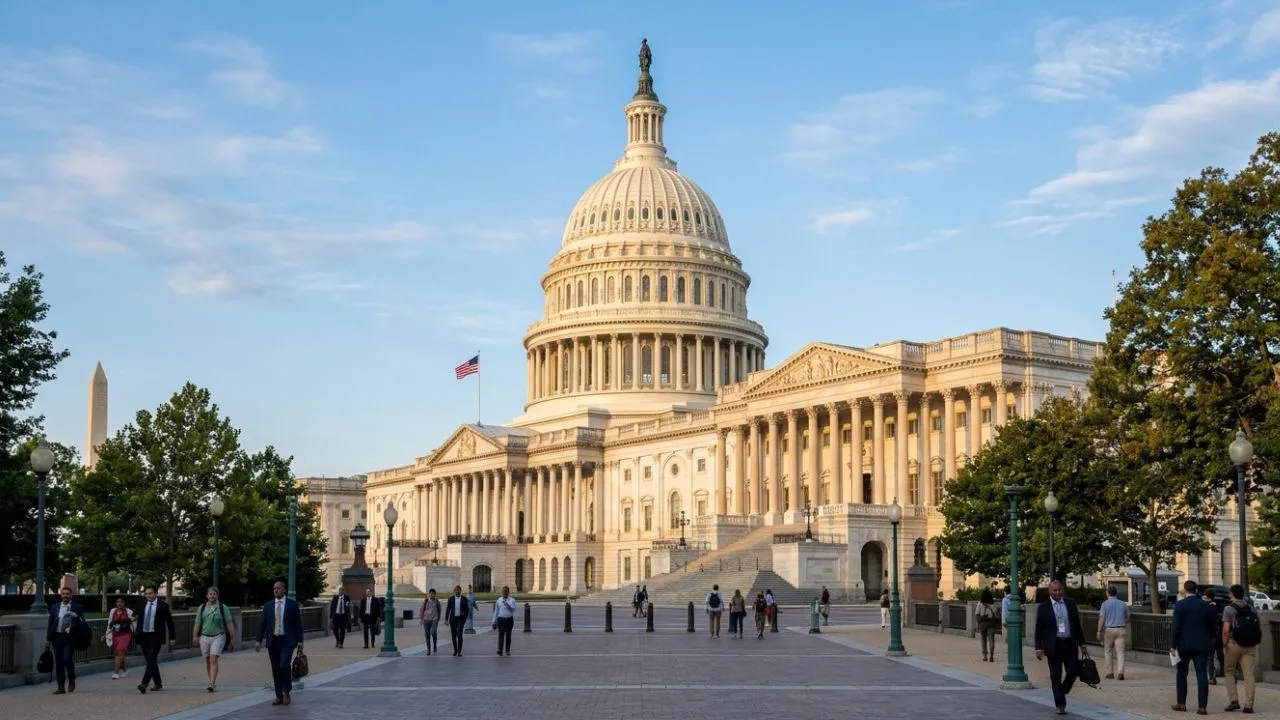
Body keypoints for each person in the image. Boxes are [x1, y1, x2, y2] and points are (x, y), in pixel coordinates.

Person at [1034, 580, 1085, 716]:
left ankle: (1062, 690)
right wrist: (1038, 648)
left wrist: (1082, 644)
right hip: (1053, 645)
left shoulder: (1070, 604)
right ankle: (1060, 704)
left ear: (1062, 590)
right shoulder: (1044, 607)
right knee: (1055, 676)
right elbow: (1039, 629)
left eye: (1059, 590)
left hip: (1069, 644)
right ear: (1050, 591)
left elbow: (1077, 625)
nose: (1057, 593)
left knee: (1073, 670)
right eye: (1054, 591)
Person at [1171, 580, 1218, 714]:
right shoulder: (1205, 606)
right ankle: (1202, 706)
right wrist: (1210, 638)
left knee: (1182, 674)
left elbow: (1176, 627)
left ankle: (1181, 703)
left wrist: (1173, 645)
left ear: (1185, 590)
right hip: (1202, 644)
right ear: (1196, 590)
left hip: (1184, 644)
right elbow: (1212, 627)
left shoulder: (1180, 605)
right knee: (1202, 675)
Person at [255, 581, 304, 706]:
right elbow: (262, 624)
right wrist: (258, 640)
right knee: (276, 669)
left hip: (287, 640)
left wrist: (300, 641)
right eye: (274, 588)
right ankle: (278, 695)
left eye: (278, 588)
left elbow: (298, 625)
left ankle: (286, 691)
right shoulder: (268, 606)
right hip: (273, 641)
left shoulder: (292, 605)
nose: (275, 590)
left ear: (284, 590)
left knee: (284, 665)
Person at [1222, 584, 1260, 713]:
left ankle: (1234, 700)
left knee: (1229, 671)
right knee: (1249, 675)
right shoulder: (1252, 609)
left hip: (1234, 644)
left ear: (1232, 594)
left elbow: (1226, 630)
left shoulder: (1229, 609)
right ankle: (1249, 705)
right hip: (1250, 645)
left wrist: (1224, 643)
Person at [192, 586, 237, 693]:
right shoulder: (202, 608)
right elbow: (198, 623)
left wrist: (232, 638)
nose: (212, 596)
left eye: (214, 594)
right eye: (210, 594)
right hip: (204, 636)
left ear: (217, 595)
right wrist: (195, 636)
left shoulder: (222, 607)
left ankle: (212, 683)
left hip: (218, 636)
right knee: (207, 660)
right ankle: (210, 680)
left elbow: (229, 623)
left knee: (213, 659)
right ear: (207, 596)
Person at [135, 585, 176, 694]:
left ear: (156, 593)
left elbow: (169, 622)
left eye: (150, 593)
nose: (148, 595)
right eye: (146, 594)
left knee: (152, 658)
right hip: (143, 635)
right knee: (150, 660)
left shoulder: (163, 606)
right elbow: (135, 614)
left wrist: (172, 637)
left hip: (156, 636)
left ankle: (144, 683)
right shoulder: (141, 604)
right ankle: (158, 682)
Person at [45, 587, 84, 694]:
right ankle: (60, 686)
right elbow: (51, 623)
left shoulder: (76, 607)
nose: (65, 595)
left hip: (70, 637)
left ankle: (72, 678)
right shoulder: (55, 607)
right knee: (59, 662)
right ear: (61, 595)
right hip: (57, 637)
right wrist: (48, 639)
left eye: (67, 594)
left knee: (66, 659)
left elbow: (82, 622)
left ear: (71, 595)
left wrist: (76, 616)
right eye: (63, 594)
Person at [1096, 586, 1130, 680]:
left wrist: (1099, 631)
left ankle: (1110, 673)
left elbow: (1102, 618)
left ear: (1107, 593)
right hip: (1120, 629)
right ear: (1116, 593)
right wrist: (1122, 622)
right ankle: (1120, 672)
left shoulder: (1105, 604)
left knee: (1108, 651)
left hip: (1109, 629)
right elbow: (1128, 617)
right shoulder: (1123, 604)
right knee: (1120, 652)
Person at [107, 596, 135, 679]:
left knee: (120, 651)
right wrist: (108, 632)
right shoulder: (113, 611)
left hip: (125, 634)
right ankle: (125, 670)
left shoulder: (129, 611)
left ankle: (115, 672)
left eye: (122, 602)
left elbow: (134, 621)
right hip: (115, 634)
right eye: (118, 602)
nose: (120, 603)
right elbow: (110, 622)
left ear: (124, 603)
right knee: (119, 653)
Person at [1203, 586, 1225, 684]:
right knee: (1221, 654)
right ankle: (1224, 672)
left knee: (1209, 657)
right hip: (1219, 634)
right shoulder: (1220, 605)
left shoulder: (1205, 606)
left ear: (1206, 596)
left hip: (1209, 635)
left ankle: (1211, 676)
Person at [444, 585, 470, 656]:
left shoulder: (464, 599)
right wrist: (446, 619)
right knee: (453, 635)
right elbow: (448, 609)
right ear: (454, 591)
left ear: (460, 591)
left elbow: (467, 609)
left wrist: (464, 617)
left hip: (461, 619)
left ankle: (459, 651)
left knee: (459, 633)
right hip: (453, 619)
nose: (457, 591)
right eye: (455, 590)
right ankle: (455, 650)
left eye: (458, 590)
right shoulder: (451, 599)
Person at [492, 586, 517, 656]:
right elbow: (496, 612)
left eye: (506, 591)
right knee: (501, 635)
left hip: (509, 620)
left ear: (508, 592)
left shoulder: (512, 600)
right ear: (502, 592)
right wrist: (494, 621)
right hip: (501, 620)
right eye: (503, 591)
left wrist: (507, 605)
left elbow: (513, 609)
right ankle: (500, 650)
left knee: (508, 636)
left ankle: (507, 650)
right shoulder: (499, 600)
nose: (504, 592)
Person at [976, 588, 999, 662]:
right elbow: (995, 614)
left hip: (983, 623)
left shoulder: (980, 603)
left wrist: (978, 624)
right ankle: (991, 656)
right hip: (991, 623)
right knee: (991, 639)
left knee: (983, 639)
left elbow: (977, 614)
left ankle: (985, 656)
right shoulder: (993, 604)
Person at [329, 585, 353, 649]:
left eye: (342, 590)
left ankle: (341, 643)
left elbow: (348, 607)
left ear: (344, 591)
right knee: (335, 629)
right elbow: (332, 607)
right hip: (336, 616)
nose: (340, 592)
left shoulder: (347, 598)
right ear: (338, 591)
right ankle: (338, 639)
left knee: (342, 630)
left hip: (343, 616)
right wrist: (331, 616)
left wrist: (348, 614)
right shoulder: (335, 598)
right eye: (340, 590)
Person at [420, 588, 441, 656]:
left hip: (434, 619)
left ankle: (434, 645)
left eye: (433, 594)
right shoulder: (425, 601)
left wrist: (438, 618)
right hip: (426, 620)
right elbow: (422, 610)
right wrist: (421, 619)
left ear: (435, 594)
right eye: (430, 593)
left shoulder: (437, 601)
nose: (431, 595)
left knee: (433, 632)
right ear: (429, 594)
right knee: (427, 635)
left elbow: (439, 610)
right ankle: (428, 649)